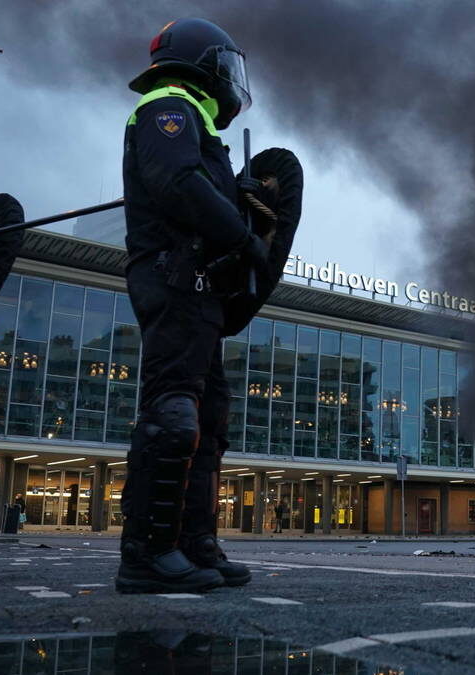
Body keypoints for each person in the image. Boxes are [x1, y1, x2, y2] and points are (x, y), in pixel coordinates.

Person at [115, 17, 274, 594]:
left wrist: (244, 198)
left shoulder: (196, 121)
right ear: (205, 63)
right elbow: (177, 182)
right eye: (226, 65)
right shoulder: (168, 104)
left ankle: (193, 543)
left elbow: (194, 183)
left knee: (207, 422)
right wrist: (241, 233)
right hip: (172, 277)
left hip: (199, 286)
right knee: (172, 417)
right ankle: (146, 553)